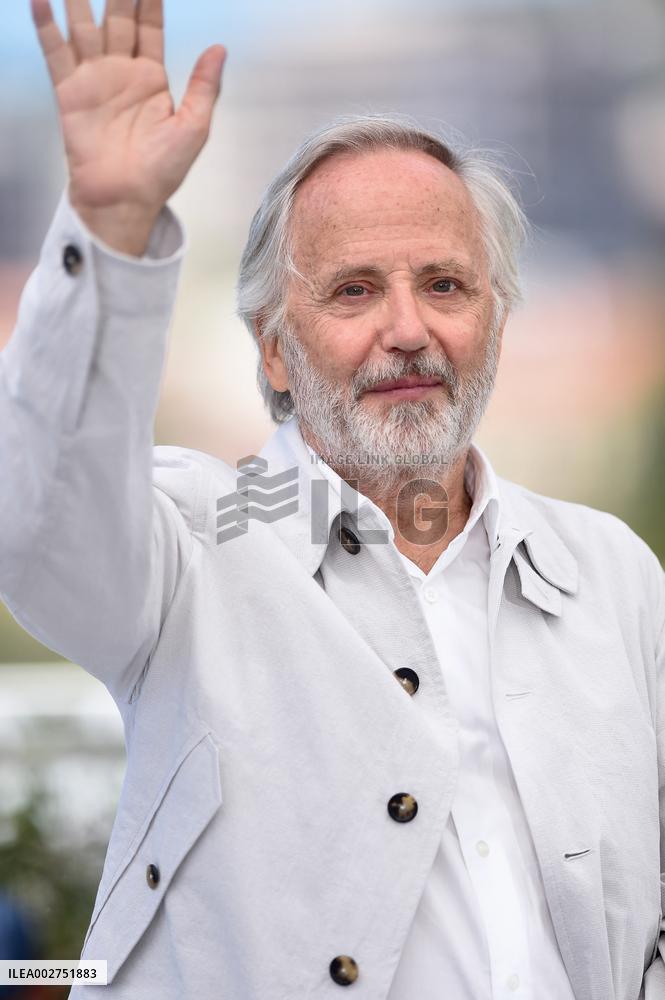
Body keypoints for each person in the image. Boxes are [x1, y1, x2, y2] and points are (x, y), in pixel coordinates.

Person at [1, 1, 663, 997]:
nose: (407, 329)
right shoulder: (189, 543)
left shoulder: (609, 571)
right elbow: (46, 523)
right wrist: (108, 232)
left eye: (444, 284)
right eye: (353, 290)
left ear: (494, 318)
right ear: (272, 343)